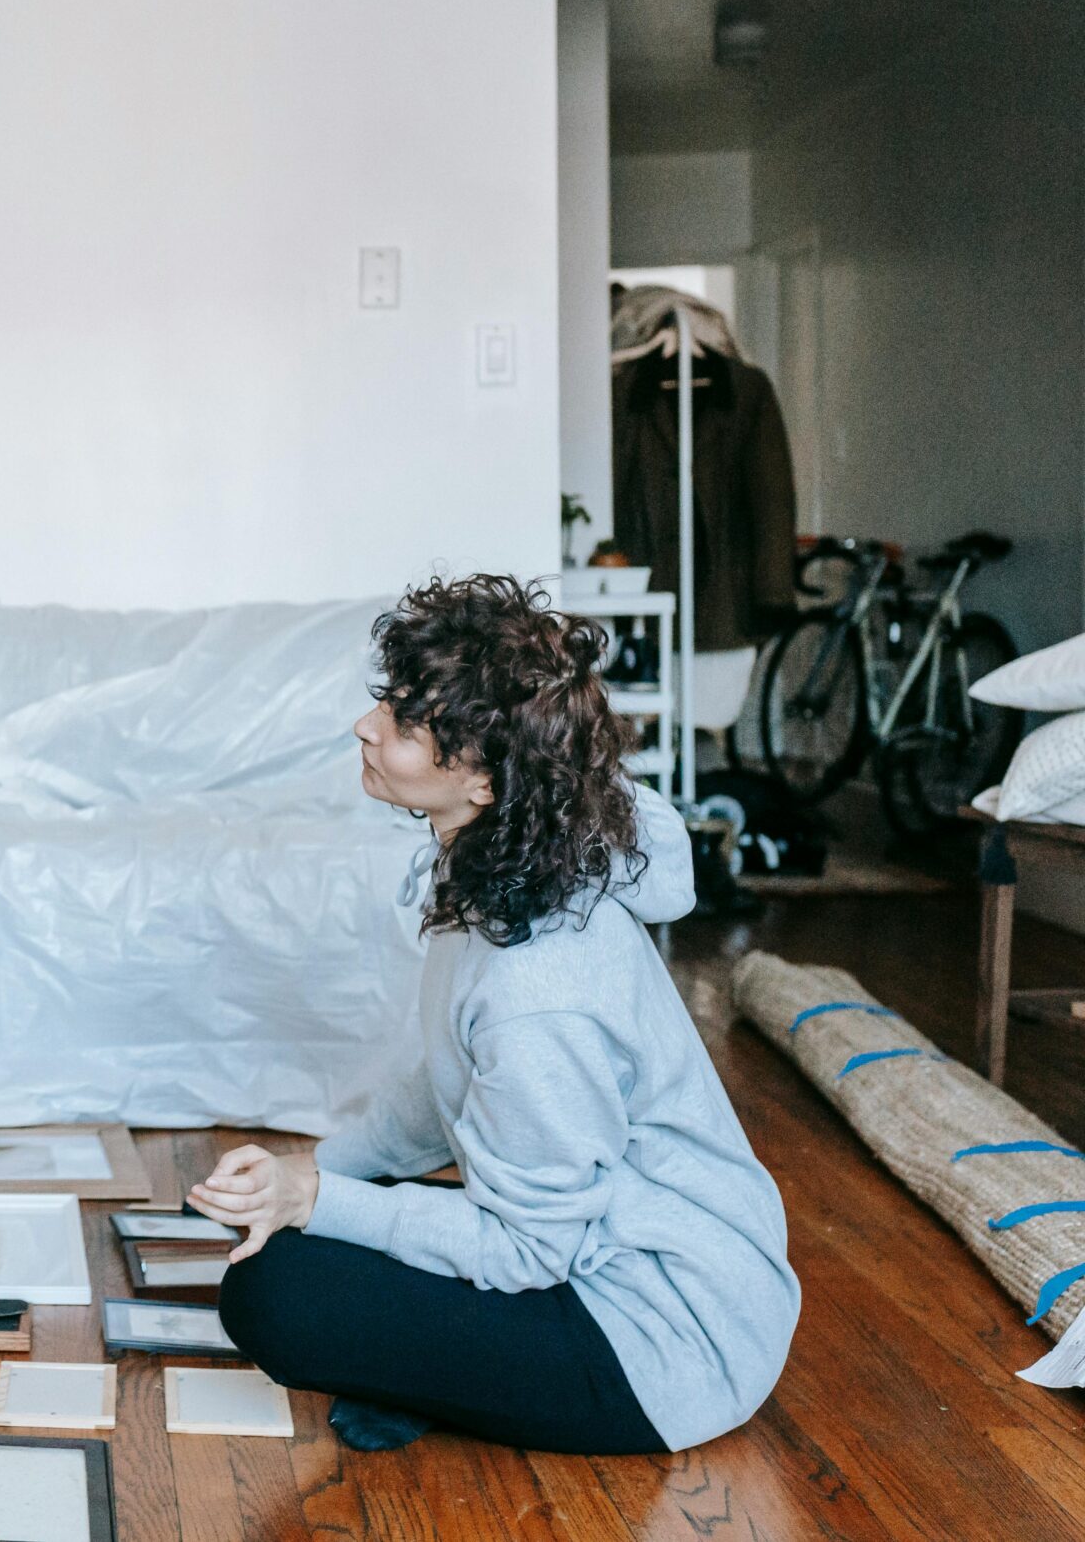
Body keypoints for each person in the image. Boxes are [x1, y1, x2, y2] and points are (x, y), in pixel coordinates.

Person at [194, 574, 798, 1453]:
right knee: (301, 1235)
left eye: (404, 721)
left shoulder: (537, 987)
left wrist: (317, 1200)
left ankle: (438, 1380)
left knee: (273, 1294)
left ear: (481, 778)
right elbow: (439, 1089)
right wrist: (305, 1175)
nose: (367, 726)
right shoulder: (504, 862)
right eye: (387, 702)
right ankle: (433, 1372)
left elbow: (527, 1252)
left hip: (661, 1339)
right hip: (595, 1254)